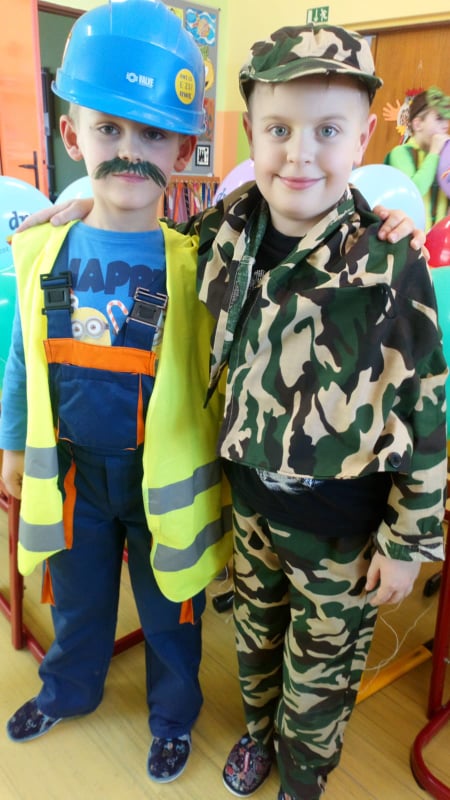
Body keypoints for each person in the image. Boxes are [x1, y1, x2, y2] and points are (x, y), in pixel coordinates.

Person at [13, 24, 438, 800]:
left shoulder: (387, 258)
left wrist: (410, 541)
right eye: (278, 130)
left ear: (362, 139)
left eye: (328, 131)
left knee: (317, 669)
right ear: (252, 134)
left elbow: (425, 409)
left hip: (340, 524)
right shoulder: (228, 230)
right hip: (246, 507)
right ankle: (252, 733)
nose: (299, 154)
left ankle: (302, 774)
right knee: (252, 641)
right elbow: (134, 227)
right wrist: (80, 203)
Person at [0, 0, 232, 785]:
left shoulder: (198, 263)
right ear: (72, 137)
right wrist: (10, 444)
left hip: (163, 486)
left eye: (153, 134)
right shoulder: (42, 249)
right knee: (78, 601)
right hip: (73, 479)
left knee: (172, 611)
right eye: (109, 129)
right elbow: (22, 362)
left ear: (184, 149)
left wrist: (377, 220)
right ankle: (67, 690)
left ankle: (173, 719)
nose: (130, 152)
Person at [384, 86, 450, 230]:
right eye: (439, 119)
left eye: (447, 120)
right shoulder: (401, 153)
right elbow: (414, 191)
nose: (445, 126)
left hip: (441, 240)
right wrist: (434, 152)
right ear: (418, 124)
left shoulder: (445, 157)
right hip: (411, 239)